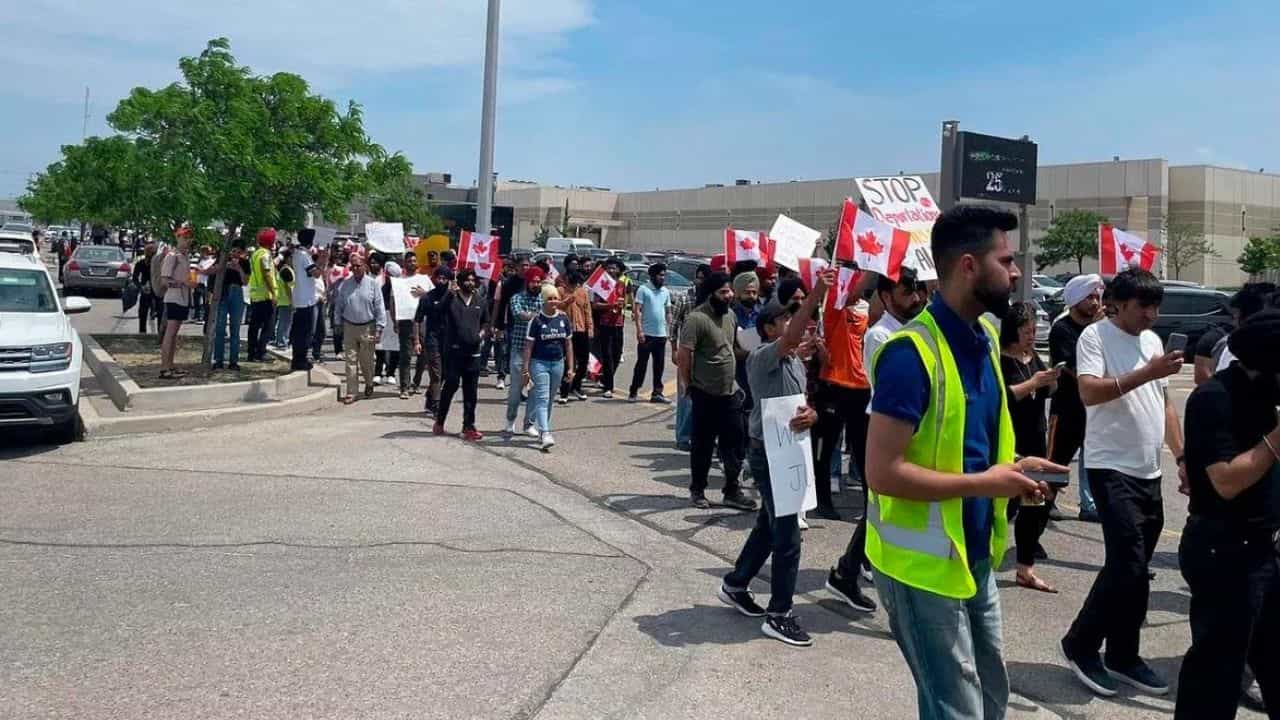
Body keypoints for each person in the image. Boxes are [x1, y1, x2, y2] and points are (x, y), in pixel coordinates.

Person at [866, 204, 1064, 719]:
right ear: (969, 266)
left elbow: (969, 447)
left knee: (992, 696)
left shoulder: (983, 341)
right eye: (1007, 260)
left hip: (973, 556)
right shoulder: (911, 355)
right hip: (921, 570)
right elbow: (881, 472)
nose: (1017, 272)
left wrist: (1015, 469)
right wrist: (983, 483)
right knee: (955, 708)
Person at [1061, 268, 1186, 699]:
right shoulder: (1095, 337)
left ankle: (1123, 654)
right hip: (1110, 467)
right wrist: (1147, 373)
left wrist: (1181, 456)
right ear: (1118, 304)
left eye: (1156, 306)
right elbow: (1090, 393)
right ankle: (1080, 643)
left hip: (1149, 469)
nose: (1151, 315)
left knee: (1137, 571)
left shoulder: (1152, 343)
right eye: (1143, 306)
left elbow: (1164, 402)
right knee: (1127, 564)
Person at [717, 269, 835, 647]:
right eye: (785, 319)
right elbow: (794, 334)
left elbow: (802, 406)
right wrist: (817, 291)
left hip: (789, 450)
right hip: (768, 452)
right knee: (788, 536)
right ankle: (779, 613)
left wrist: (811, 416)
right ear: (770, 329)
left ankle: (736, 584)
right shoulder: (763, 356)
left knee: (770, 526)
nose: (794, 325)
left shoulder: (795, 364)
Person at [1175, 310, 1280, 720]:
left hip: (1262, 551)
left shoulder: (1264, 390)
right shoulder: (1213, 399)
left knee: (1272, 657)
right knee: (1217, 671)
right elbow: (1226, 482)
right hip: (1223, 552)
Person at [824, 267, 925, 612]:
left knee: (881, 507)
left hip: (907, 425)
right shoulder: (882, 336)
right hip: (879, 423)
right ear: (885, 296)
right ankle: (849, 571)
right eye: (907, 290)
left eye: (918, 289)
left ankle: (852, 568)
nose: (916, 297)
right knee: (880, 504)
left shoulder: (913, 330)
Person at [678, 271, 756, 512]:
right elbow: (684, 354)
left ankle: (732, 490)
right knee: (702, 443)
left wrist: (759, 350)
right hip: (704, 392)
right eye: (724, 292)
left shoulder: (730, 315)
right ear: (711, 294)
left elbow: (732, 348)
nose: (729, 296)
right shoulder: (696, 319)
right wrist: (688, 384)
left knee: (734, 441)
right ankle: (697, 490)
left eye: (730, 291)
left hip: (730, 392)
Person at [999, 301, 1061, 593]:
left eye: (1034, 330)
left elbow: (1045, 391)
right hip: (1011, 443)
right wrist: (1033, 383)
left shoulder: (1032, 356)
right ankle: (982, 556)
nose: (1031, 335)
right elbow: (1003, 398)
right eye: (1026, 330)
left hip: (1036, 440)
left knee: (1034, 503)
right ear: (1013, 330)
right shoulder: (1000, 358)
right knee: (1006, 505)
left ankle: (1025, 567)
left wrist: (1049, 381)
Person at [810, 264, 875, 521]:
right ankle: (822, 501)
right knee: (824, 449)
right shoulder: (834, 309)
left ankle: (871, 507)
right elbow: (852, 294)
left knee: (863, 452)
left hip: (861, 389)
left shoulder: (868, 313)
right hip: (833, 387)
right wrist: (874, 265)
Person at [1048, 273, 1105, 523]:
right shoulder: (1062, 328)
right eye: (1089, 297)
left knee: (1092, 458)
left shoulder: (1101, 329)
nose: (1094, 302)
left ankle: (1089, 504)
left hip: (1093, 409)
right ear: (1076, 300)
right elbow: (1073, 367)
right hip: (1067, 408)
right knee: (1056, 461)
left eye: (1097, 297)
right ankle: (1044, 502)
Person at [435, 268, 490, 441]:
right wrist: (448, 294)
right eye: (467, 280)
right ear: (459, 281)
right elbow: (437, 313)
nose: (470, 283)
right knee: (450, 386)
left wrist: (480, 335)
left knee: (471, 392)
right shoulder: (451, 299)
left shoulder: (480, 300)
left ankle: (468, 426)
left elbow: (486, 322)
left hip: (473, 354)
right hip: (453, 352)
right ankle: (440, 421)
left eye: (473, 280)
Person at [522, 284, 574, 451]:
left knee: (550, 399)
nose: (553, 302)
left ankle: (543, 429)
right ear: (543, 301)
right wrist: (525, 369)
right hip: (539, 363)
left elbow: (568, 345)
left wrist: (570, 368)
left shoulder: (563, 319)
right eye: (550, 299)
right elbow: (528, 347)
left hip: (558, 363)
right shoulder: (536, 321)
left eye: (555, 298)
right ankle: (545, 433)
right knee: (542, 398)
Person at [332, 254, 386, 404]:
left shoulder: (372, 284)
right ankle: (352, 392)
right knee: (350, 361)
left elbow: (379, 306)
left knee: (366, 361)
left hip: (367, 327)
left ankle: (369, 383)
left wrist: (380, 328)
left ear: (364, 266)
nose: (355, 269)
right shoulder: (345, 285)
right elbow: (339, 305)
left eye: (358, 265)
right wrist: (337, 323)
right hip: (349, 326)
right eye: (353, 266)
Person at [671, 264, 709, 451]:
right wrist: (673, 350)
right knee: (686, 397)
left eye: (705, 278)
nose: (701, 281)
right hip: (687, 353)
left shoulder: (712, 301)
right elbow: (674, 326)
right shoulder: (685, 298)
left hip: (705, 357)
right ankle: (683, 437)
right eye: (699, 278)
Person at [505, 267, 545, 435]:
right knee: (516, 390)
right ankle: (510, 419)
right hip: (520, 349)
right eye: (533, 281)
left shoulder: (542, 300)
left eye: (539, 281)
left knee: (535, 390)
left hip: (538, 353)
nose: (536, 284)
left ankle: (529, 424)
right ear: (527, 282)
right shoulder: (517, 298)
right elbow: (518, 314)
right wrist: (536, 316)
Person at [629, 263, 673, 403]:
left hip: (661, 335)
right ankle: (634, 390)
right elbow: (637, 311)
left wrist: (670, 321)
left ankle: (657, 393)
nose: (663, 278)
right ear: (653, 276)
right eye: (660, 275)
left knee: (659, 365)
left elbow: (668, 310)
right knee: (641, 364)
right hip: (646, 334)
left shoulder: (665, 291)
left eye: (664, 275)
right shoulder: (643, 289)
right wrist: (639, 330)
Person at [157, 228, 197, 380]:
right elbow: (165, 280)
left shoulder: (184, 256)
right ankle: (164, 368)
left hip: (184, 298)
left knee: (174, 335)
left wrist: (189, 284)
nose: (187, 241)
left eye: (190, 238)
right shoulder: (172, 256)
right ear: (178, 237)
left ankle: (171, 365)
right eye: (185, 237)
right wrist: (182, 283)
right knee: (170, 333)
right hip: (173, 298)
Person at [414, 267, 452, 415]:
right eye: (439, 278)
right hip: (432, 339)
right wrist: (417, 340)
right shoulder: (426, 298)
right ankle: (436, 405)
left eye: (445, 279)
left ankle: (430, 397)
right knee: (436, 373)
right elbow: (417, 320)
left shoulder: (452, 297)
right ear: (434, 279)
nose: (441, 281)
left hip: (448, 340)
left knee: (445, 374)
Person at [492, 257, 528, 391]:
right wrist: (498, 325)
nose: (525, 268)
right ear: (517, 267)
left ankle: (519, 380)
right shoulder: (507, 283)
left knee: (523, 353)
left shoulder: (530, 282)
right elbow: (501, 305)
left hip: (526, 325)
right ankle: (501, 376)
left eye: (527, 265)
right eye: (523, 265)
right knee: (505, 350)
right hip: (509, 323)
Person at [211, 246, 250, 371]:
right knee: (220, 328)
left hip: (237, 292)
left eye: (239, 252)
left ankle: (234, 361)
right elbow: (213, 275)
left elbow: (245, 282)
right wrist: (225, 266)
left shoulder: (244, 263)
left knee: (235, 328)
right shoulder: (222, 260)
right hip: (223, 293)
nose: (236, 254)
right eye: (234, 251)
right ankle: (218, 360)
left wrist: (238, 268)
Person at [592, 258, 627, 398]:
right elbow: (595, 305)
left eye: (615, 268)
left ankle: (605, 378)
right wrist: (610, 306)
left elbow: (625, 303)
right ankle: (608, 386)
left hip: (619, 323)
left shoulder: (622, 284)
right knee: (607, 355)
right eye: (609, 268)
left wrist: (621, 305)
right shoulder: (601, 284)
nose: (612, 270)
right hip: (605, 323)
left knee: (617, 354)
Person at [558, 270, 594, 404]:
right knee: (568, 363)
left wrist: (590, 328)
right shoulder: (560, 291)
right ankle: (564, 391)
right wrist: (566, 302)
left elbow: (587, 311)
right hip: (566, 331)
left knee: (584, 362)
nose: (573, 286)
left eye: (576, 284)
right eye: (571, 283)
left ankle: (577, 386)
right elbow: (555, 308)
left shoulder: (582, 292)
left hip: (581, 330)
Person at [246, 229, 278, 363]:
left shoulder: (256, 254)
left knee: (254, 326)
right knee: (269, 326)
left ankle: (251, 353)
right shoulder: (265, 255)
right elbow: (267, 274)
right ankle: (261, 352)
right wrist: (274, 293)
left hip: (255, 294)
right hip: (265, 295)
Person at [289, 232, 321, 371]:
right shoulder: (304, 256)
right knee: (304, 332)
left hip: (300, 298)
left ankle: (298, 358)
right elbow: (316, 273)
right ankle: (300, 360)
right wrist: (322, 259)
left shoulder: (297, 254)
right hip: (306, 300)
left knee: (299, 331)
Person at [133, 243, 159, 334]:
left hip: (151, 289)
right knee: (146, 312)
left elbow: (135, 278)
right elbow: (135, 278)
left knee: (143, 313)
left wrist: (140, 286)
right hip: (153, 290)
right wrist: (141, 287)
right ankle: (158, 334)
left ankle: (142, 332)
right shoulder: (144, 263)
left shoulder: (142, 263)